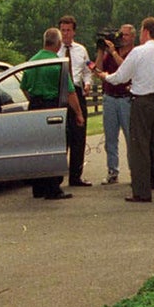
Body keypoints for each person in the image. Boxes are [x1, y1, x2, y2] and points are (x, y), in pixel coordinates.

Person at [95, 17, 154, 203]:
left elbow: (121, 76)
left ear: (146, 32)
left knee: (139, 147)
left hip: (142, 101)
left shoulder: (139, 52)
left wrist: (106, 77)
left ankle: (142, 191)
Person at [20, 27, 84, 200]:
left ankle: (38, 187)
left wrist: (34, 98)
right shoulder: (58, 63)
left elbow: (24, 87)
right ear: (57, 44)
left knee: (37, 147)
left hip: (35, 106)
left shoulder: (32, 61)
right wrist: (78, 113)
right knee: (55, 146)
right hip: (52, 105)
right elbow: (70, 92)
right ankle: (53, 188)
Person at [94, 24, 135, 184]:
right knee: (110, 138)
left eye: (125, 35)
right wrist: (101, 51)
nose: (122, 38)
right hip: (110, 97)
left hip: (126, 98)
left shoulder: (134, 53)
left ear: (132, 37)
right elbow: (98, 71)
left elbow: (126, 69)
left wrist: (113, 52)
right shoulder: (111, 53)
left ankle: (134, 171)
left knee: (130, 137)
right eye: (121, 34)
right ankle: (112, 170)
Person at [58, 15, 93, 187]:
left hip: (77, 92)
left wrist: (87, 83)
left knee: (79, 136)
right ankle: (57, 176)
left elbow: (87, 70)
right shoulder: (55, 50)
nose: (65, 34)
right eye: (62, 30)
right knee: (61, 136)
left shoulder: (81, 50)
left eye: (68, 30)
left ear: (74, 31)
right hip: (61, 94)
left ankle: (76, 176)